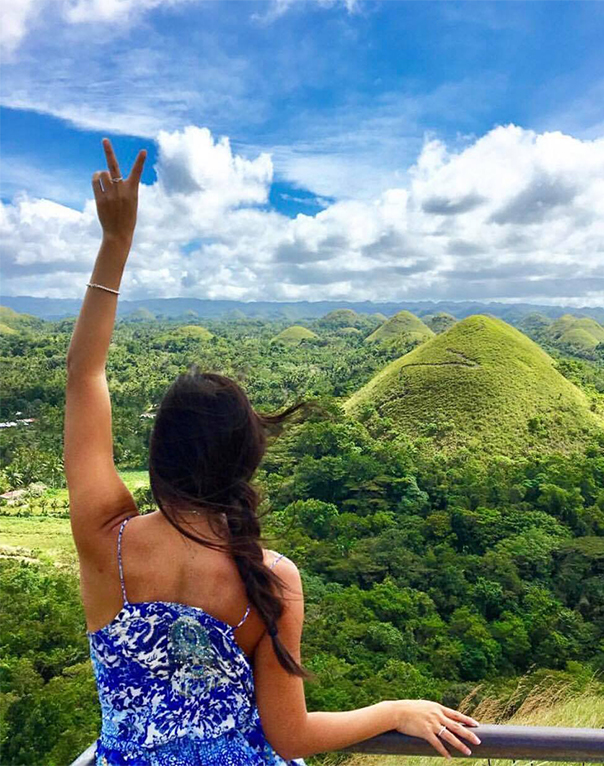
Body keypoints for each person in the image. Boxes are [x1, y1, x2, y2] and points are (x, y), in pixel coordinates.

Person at [64, 138, 482, 766]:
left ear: (157, 456)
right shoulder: (271, 580)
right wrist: (397, 712)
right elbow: (291, 735)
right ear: (244, 465)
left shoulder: (107, 541)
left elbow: (84, 374)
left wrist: (116, 242)